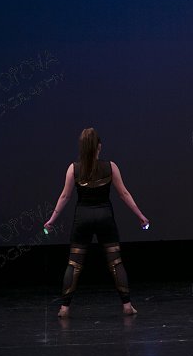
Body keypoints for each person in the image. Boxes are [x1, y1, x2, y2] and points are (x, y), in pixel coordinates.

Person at [44, 128, 147, 317]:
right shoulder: (110, 167)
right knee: (116, 262)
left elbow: (65, 196)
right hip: (104, 217)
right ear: (99, 146)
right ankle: (127, 305)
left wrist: (51, 220)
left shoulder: (73, 168)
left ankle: (64, 308)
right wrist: (140, 215)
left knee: (74, 264)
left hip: (82, 218)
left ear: (81, 147)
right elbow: (124, 194)